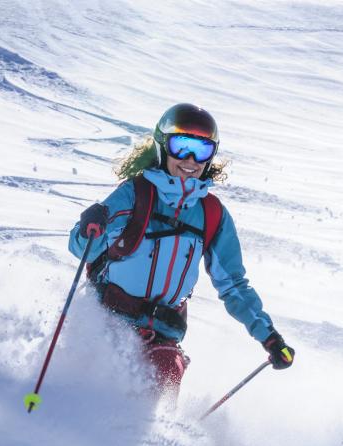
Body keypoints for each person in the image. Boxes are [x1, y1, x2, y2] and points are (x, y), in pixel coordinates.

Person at [68, 103, 294, 402]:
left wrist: (269, 336)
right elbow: (80, 247)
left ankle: (150, 443)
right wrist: (90, 227)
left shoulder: (211, 213)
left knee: (163, 379)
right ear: (163, 146)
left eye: (201, 150)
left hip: (163, 332)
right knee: (91, 388)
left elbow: (233, 285)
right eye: (181, 146)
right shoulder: (136, 193)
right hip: (108, 318)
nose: (190, 159)